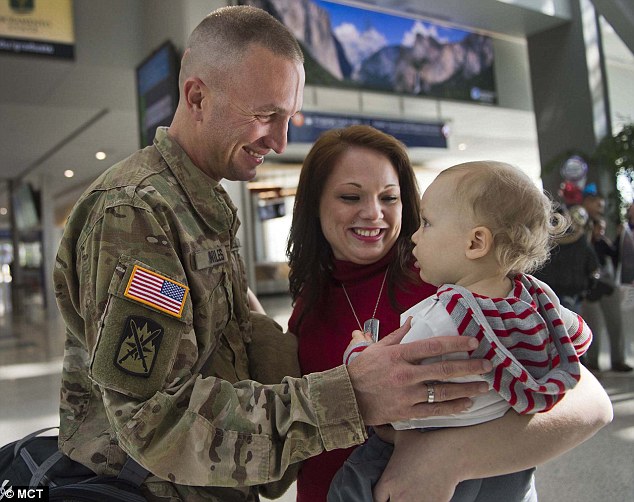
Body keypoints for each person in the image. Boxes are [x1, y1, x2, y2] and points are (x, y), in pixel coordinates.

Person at [52, 7, 495, 501]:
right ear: (197, 96)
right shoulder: (136, 213)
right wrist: (351, 393)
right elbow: (154, 419)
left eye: (288, 118)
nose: (280, 140)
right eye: (265, 116)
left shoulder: (199, 207)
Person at [287, 126, 612, 502]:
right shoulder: (311, 294)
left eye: (389, 198)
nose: (373, 213)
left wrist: (446, 457)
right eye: (349, 196)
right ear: (315, 202)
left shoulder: (451, 280)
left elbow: (592, 404)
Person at [582, 215, 632, 372]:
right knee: (592, 328)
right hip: (589, 291)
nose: (601, 231)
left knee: (615, 324)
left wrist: (619, 237)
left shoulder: (603, 242)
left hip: (607, 288)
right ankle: (592, 362)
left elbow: (616, 255)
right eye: (599, 227)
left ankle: (618, 360)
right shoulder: (583, 244)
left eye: (603, 228)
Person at [533, 205, 599, 313]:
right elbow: (594, 269)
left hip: (546, 291)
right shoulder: (583, 244)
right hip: (571, 293)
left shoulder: (546, 241)